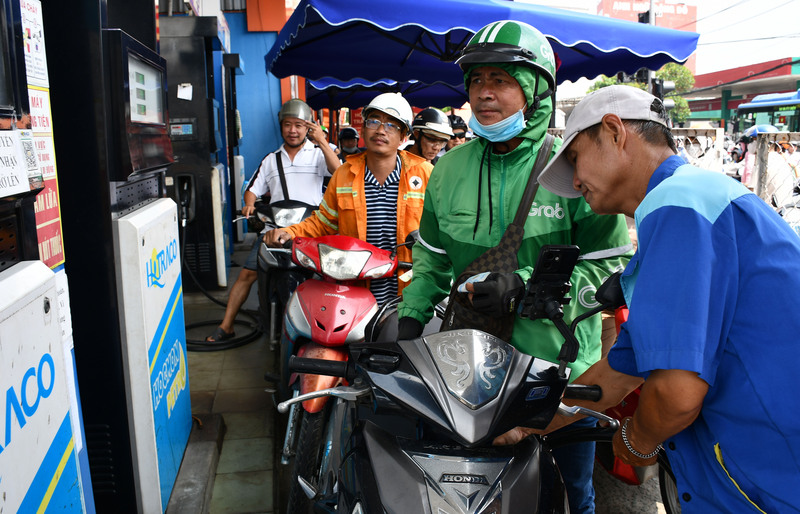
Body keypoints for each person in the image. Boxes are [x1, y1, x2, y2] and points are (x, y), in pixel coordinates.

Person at [396, 21, 632, 514]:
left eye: (502, 80)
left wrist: (526, 288)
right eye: (477, 80)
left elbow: (610, 266)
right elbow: (432, 258)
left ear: (536, 91)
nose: (485, 93)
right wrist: (412, 317)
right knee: (472, 494)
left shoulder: (574, 167)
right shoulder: (447, 170)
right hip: (471, 368)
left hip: (560, 372)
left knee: (573, 495)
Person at [532, 84, 800, 512]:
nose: (576, 181)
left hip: (769, 475)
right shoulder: (696, 197)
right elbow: (620, 373)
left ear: (615, 131)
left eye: (576, 157)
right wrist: (528, 424)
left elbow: (675, 395)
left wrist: (635, 441)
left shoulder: (678, 203)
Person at [264, 92, 433, 306]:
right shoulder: (344, 174)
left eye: (392, 125)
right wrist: (289, 232)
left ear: (403, 138)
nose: (381, 130)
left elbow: (443, 227)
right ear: (363, 129)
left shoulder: (425, 174)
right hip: (354, 290)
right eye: (374, 121)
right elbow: (322, 222)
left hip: (408, 291)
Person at [206, 98, 339, 341]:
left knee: (328, 275)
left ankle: (328, 328)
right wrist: (249, 203)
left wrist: (321, 141)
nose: (293, 130)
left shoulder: (319, 153)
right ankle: (226, 325)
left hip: (310, 230)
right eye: (288, 124)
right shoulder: (271, 159)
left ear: (308, 127)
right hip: (274, 230)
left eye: (299, 125)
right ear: (281, 126)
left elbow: (338, 172)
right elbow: (252, 189)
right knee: (247, 274)